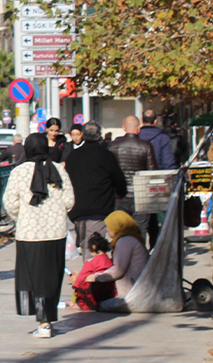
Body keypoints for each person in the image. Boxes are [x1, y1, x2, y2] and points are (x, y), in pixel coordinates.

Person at [1, 132, 75, 338]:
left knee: (32, 276)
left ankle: (41, 322)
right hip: (55, 233)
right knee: (51, 276)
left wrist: (22, 216)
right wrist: (56, 213)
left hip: (29, 233)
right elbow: (69, 200)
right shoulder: (59, 169)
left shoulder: (19, 172)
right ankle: (46, 321)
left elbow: (10, 202)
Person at [64, 121, 128, 259]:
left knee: (84, 242)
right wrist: (121, 193)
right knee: (93, 245)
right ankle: (92, 275)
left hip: (77, 208)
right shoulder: (105, 155)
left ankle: (89, 272)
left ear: (83, 135)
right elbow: (118, 177)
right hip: (99, 206)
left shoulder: (73, 156)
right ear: (99, 136)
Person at [108, 116, 158, 247]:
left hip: (120, 196)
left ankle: (120, 257)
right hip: (140, 195)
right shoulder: (146, 146)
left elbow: (109, 172)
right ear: (139, 128)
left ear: (124, 127)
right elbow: (152, 173)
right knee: (140, 229)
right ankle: (139, 258)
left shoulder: (113, 146)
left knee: (120, 229)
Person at [92, 211, 151, 295]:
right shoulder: (130, 238)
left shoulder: (125, 241)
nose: (107, 229)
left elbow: (118, 270)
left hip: (132, 292)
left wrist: (95, 277)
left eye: (109, 226)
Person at [72, 233, 117, 310]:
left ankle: (81, 304)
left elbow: (82, 276)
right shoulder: (109, 260)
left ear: (94, 247)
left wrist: (75, 286)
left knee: (84, 286)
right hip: (110, 289)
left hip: (96, 290)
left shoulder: (92, 261)